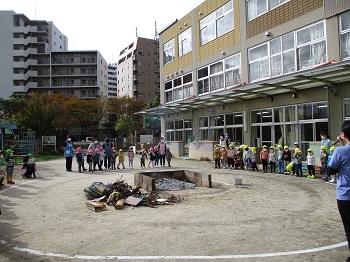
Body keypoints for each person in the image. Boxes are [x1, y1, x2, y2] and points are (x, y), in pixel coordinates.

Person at [328, 121, 350, 261]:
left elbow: (331, 170)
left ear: (343, 134)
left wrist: (341, 146)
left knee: (349, 226)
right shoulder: (343, 149)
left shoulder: (340, 151)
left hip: (346, 195)